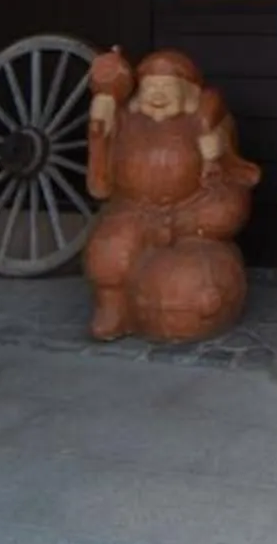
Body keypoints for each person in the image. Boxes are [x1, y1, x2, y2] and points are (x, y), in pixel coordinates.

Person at [83, 48, 260, 344]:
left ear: (187, 92)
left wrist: (214, 154)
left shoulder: (203, 123)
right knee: (110, 250)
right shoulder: (127, 119)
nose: (157, 95)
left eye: (167, 88)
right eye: (150, 87)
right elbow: (101, 178)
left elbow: (231, 178)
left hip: (188, 213)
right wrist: (100, 124)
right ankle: (113, 309)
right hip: (134, 210)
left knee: (187, 277)